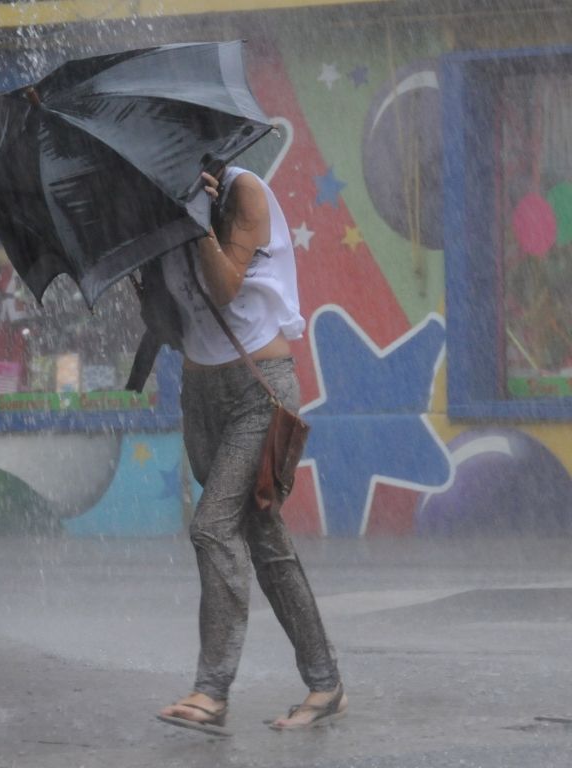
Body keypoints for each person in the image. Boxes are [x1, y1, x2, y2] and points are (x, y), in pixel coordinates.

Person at [151, 165, 346, 734]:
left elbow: (225, 286)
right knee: (262, 538)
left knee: (212, 528)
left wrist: (195, 219)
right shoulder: (155, 197)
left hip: (258, 390)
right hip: (200, 394)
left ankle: (212, 692)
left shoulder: (242, 190)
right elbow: (171, 315)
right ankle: (325, 682)